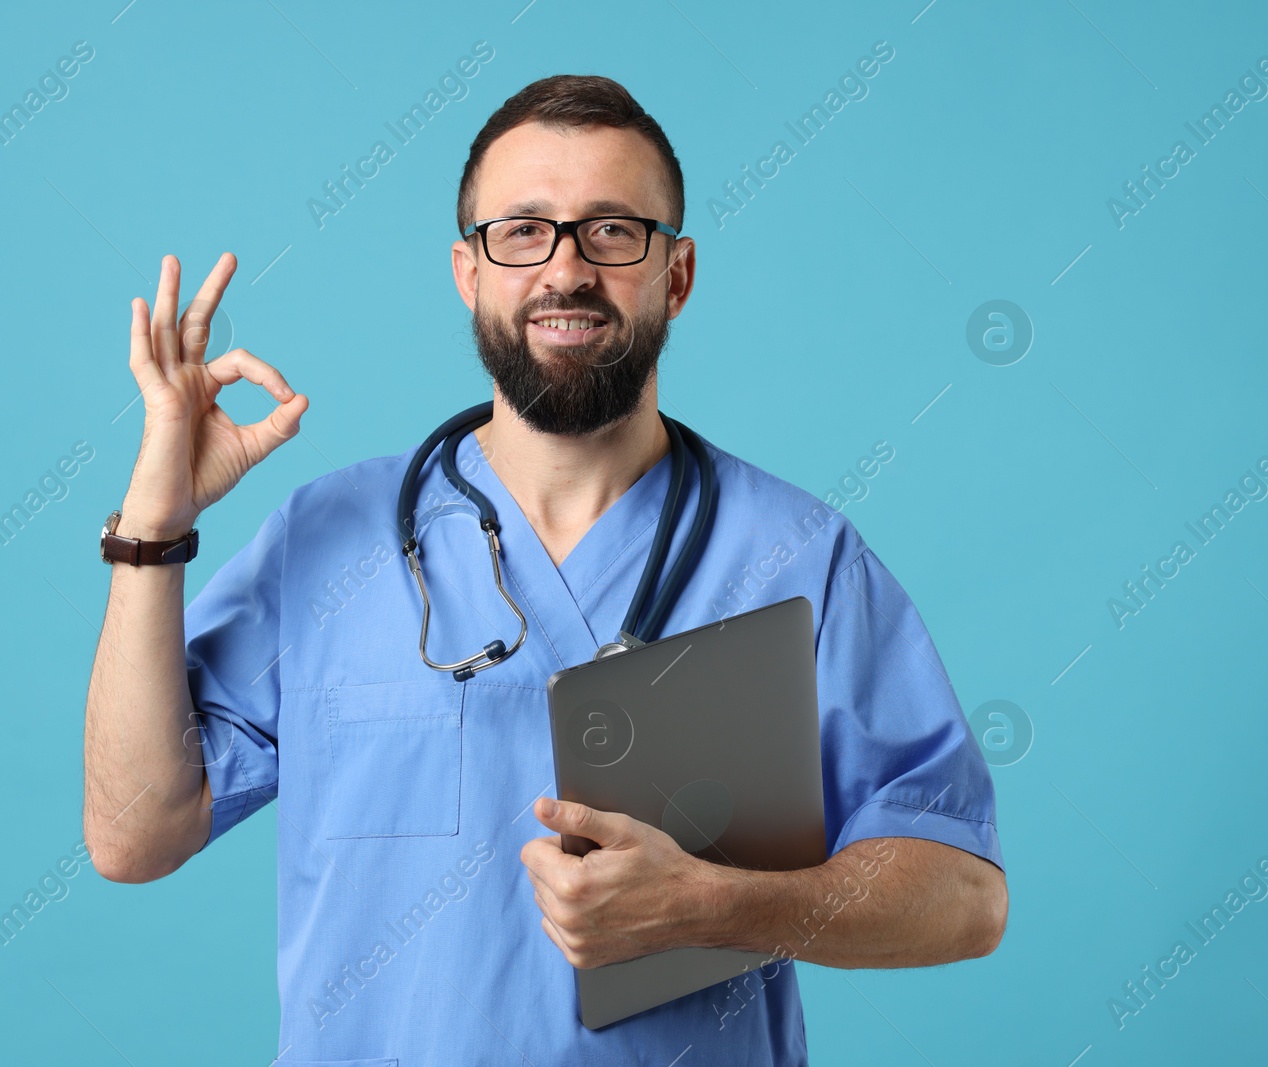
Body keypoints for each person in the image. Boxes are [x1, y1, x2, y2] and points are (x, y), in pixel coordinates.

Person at [82, 74, 1006, 1065]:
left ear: (677, 274)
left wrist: (729, 901)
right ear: (467, 271)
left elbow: (963, 896)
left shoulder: (796, 557)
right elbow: (135, 837)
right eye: (521, 230)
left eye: (612, 230)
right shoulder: (330, 539)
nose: (565, 270)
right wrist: (153, 529)